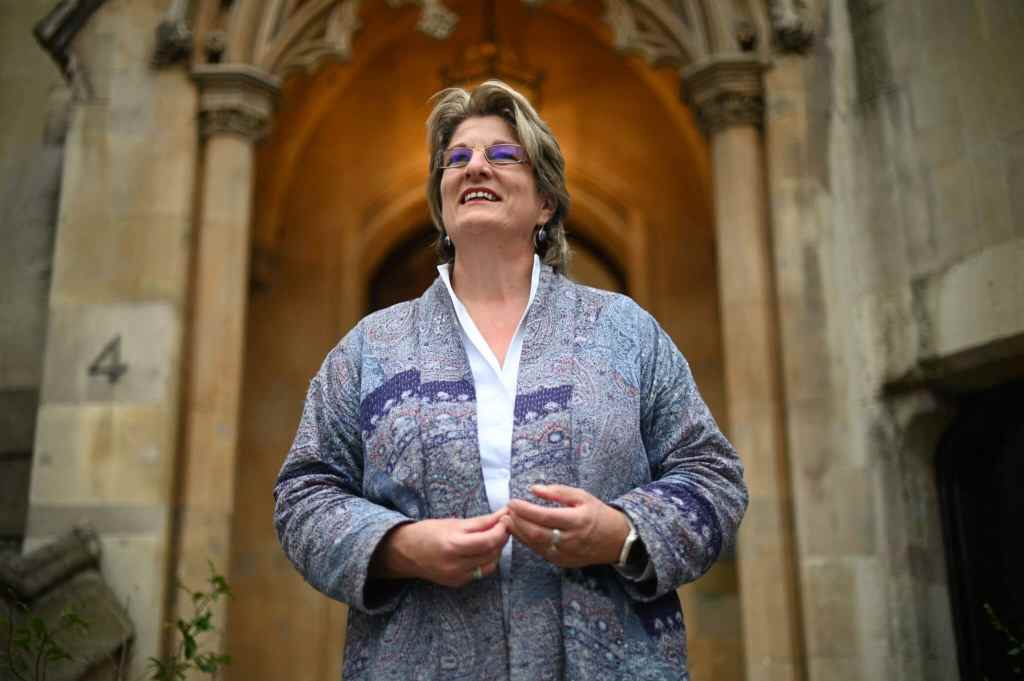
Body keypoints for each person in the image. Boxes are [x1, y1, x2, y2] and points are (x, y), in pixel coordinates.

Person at [273, 80, 747, 681]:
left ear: (546, 202)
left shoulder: (624, 332)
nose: (476, 166)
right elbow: (303, 495)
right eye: (457, 157)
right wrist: (397, 546)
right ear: (442, 200)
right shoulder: (372, 347)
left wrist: (621, 533)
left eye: (503, 155)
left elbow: (714, 476)